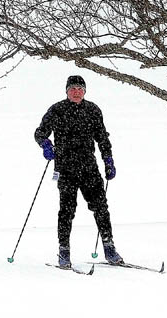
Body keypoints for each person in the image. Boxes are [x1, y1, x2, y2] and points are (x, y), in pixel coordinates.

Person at [34, 75, 123, 268]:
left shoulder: (92, 110)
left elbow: (102, 138)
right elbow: (40, 132)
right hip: (65, 169)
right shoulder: (57, 110)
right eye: (72, 88)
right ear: (66, 91)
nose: (76, 92)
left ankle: (109, 247)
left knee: (101, 207)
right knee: (67, 211)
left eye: (80, 89)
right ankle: (64, 251)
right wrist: (46, 144)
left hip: (89, 168)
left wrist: (108, 160)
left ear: (85, 91)